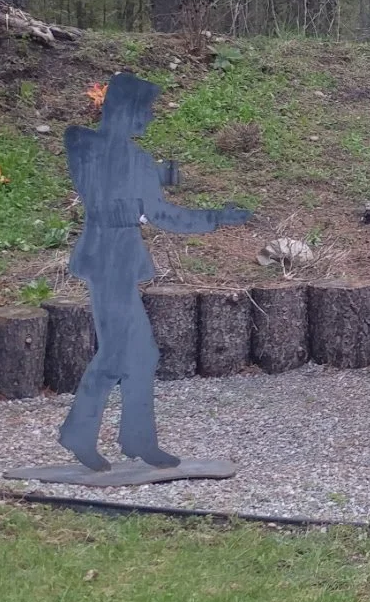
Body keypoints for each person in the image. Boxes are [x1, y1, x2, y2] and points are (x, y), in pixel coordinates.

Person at [58, 73, 249, 470]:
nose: (149, 118)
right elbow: (154, 210)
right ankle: (81, 434)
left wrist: (155, 179)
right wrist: (215, 216)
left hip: (117, 261)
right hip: (106, 260)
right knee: (114, 354)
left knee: (141, 353)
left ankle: (136, 439)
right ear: (124, 110)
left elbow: (147, 202)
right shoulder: (88, 145)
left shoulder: (126, 158)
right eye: (144, 110)